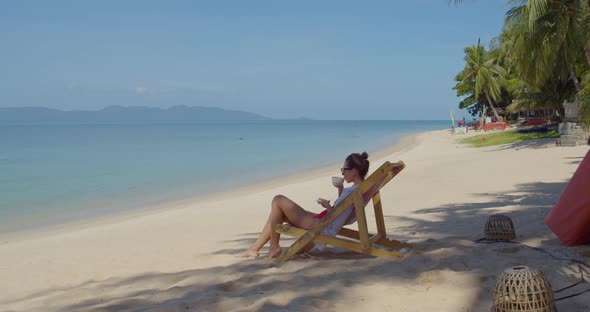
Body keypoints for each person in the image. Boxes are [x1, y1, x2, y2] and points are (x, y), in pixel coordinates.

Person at [236, 152, 370, 258]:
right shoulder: (356, 189)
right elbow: (343, 211)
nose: (342, 173)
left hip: (321, 225)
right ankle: (254, 249)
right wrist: (340, 190)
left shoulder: (352, 191)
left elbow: (335, 215)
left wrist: (327, 206)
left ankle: (273, 246)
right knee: (278, 211)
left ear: (353, 171)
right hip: (324, 222)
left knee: (278, 200)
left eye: (344, 170)